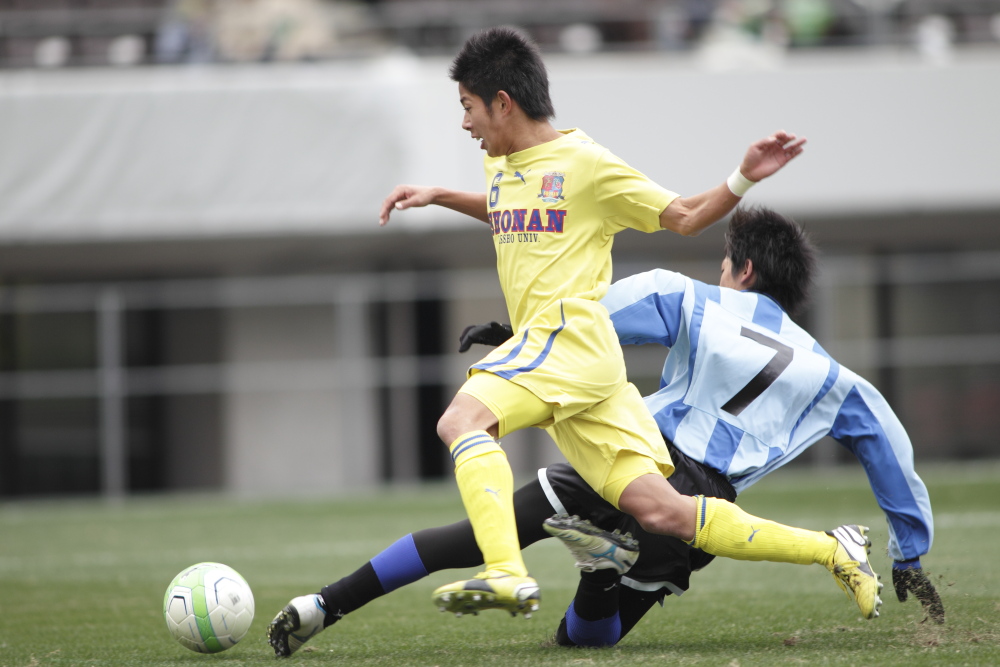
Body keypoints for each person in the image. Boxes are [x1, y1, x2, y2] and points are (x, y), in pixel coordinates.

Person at [369, 25, 882, 621]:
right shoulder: (501, 165)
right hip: (589, 373)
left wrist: (743, 177)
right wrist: (439, 195)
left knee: (461, 420)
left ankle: (506, 572)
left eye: (467, 108)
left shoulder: (587, 165)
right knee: (663, 511)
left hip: (566, 337)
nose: (464, 124)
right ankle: (832, 550)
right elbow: (513, 210)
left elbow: (686, 217)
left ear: (502, 103)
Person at [265, 207, 941, 656]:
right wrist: (909, 550)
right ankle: (601, 565)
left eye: (726, 260)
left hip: (630, 448)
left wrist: (517, 338)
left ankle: (323, 604)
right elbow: (891, 449)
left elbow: (594, 317)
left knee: (471, 534)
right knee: (591, 638)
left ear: (745, 270)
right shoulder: (836, 378)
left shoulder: (694, 297)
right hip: (706, 505)